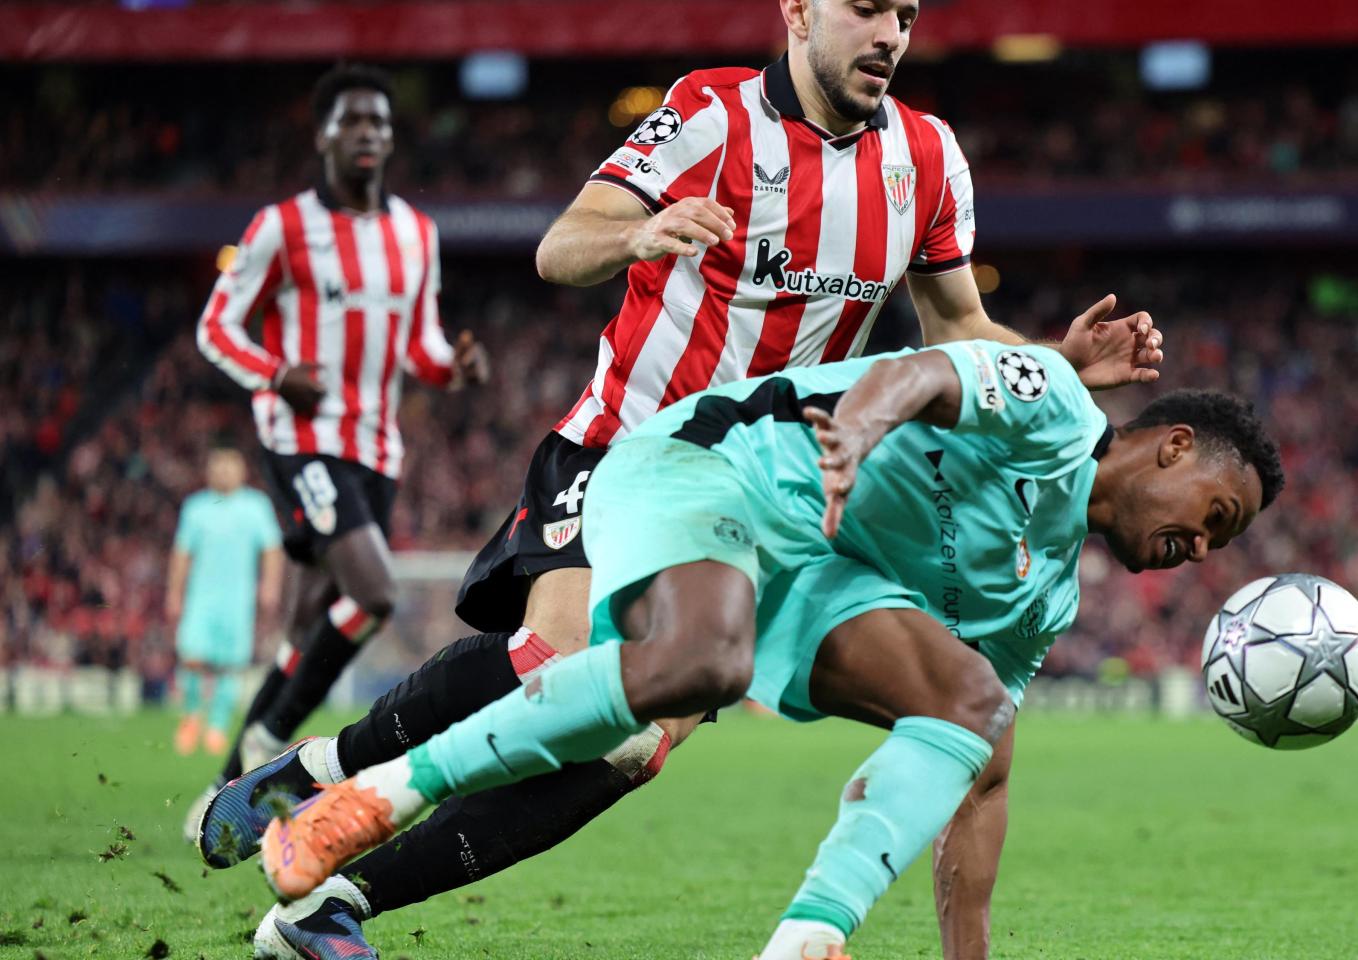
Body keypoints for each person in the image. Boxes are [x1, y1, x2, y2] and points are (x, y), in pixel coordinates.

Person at [201, 2, 1161, 956]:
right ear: (797, 10)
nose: (889, 35)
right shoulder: (712, 114)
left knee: (627, 747)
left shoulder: (926, 157)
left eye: (905, 15)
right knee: (559, 655)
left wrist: (1057, 359)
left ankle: (329, 910)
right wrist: (638, 235)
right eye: (866, 9)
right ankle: (308, 777)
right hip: (622, 445)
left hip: (747, 505)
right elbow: (559, 246)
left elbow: (957, 329)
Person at [257, 341, 1283, 959]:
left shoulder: (1043, 595)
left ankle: (804, 940)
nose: (1195, 549)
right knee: (698, 663)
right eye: (1212, 515)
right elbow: (922, 371)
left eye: (1216, 545)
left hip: (808, 579)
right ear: (1172, 447)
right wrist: (858, 431)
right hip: (717, 468)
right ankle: (380, 790)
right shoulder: (1056, 405)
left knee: (975, 710)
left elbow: (983, 780)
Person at [190, 63, 491, 817]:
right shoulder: (282, 227)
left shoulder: (416, 234)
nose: (369, 135)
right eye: (354, 121)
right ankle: (277, 764)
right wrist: (273, 372)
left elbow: (417, 346)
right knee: (375, 591)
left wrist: (453, 368)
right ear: (324, 133)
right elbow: (215, 327)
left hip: (376, 449)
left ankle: (228, 785)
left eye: (381, 123)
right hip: (303, 437)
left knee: (311, 624)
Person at [167, 450, 284, 763]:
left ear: (242, 470)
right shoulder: (196, 508)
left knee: (230, 666)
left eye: (230, 467)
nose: (224, 473)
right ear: (208, 471)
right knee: (191, 656)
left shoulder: (256, 506)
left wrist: (270, 585)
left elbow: (272, 549)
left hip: (238, 600)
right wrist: (174, 593)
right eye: (217, 466)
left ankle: (217, 725)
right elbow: (182, 553)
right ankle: (192, 716)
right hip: (200, 598)